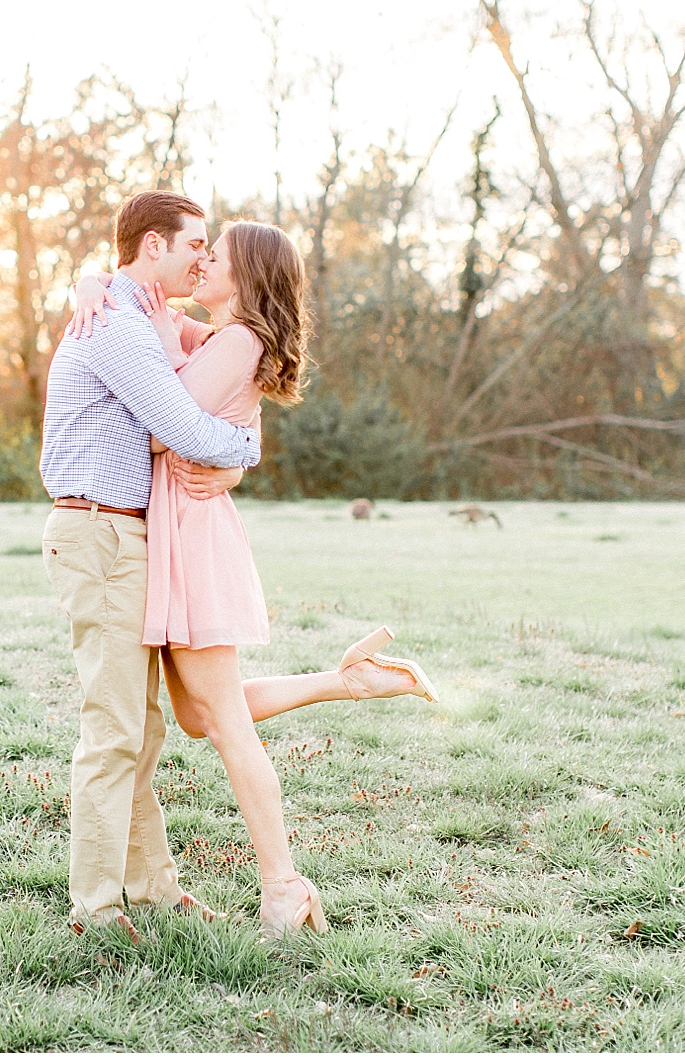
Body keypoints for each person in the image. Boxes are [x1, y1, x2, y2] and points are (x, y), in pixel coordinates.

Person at [66, 220, 440, 938]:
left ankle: (284, 888)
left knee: (227, 726)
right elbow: (136, 310)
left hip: (193, 537)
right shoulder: (213, 336)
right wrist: (90, 282)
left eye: (219, 255)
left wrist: (235, 449)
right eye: (198, 251)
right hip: (176, 530)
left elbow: (154, 426)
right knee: (201, 715)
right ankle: (347, 680)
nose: (203, 262)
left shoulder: (237, 341)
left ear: (249, 275)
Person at [38, 190, 260, 942]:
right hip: (99, 533)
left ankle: (154, 889)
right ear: (154, 247)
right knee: (113, 727)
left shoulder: (138, 313)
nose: (204, 255)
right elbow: (182, 426)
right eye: (195, 242)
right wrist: (247, 453)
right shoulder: (117, 326)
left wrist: (86, 275)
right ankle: (95, 909)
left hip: (122, 535)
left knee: (144, 725)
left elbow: (224, 348)